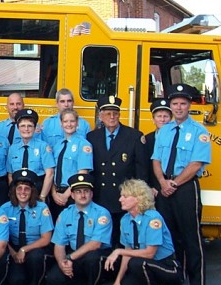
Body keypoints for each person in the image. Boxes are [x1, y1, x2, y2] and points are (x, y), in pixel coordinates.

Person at [152, 83, 211, 285]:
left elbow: (196, 164)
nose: (178, 108)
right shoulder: (164, 131)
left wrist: (173, 184)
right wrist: (161, 182)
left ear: (189, 105)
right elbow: (156, 160)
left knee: (191, 237)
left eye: (182, 104)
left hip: (184, 187)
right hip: (164, 184)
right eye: (174, 104)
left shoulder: (199, 132)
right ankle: (175, 280)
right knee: (168, 237)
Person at [105, 179, 182, 285]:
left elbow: (149, 254)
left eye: (125, 196)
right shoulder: (125, 220)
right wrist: (118, 281)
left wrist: (118, 251)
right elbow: (128, 252)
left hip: (166, 267)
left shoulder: (152, 218)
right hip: (143, 266)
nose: (120, 199)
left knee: (136, 263)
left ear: (138, 198)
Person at [87, 95, 148, 249]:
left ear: (120, 114)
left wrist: (138, 198)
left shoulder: (134, 136)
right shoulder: (92, 137)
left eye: (115, 113)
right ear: (101, 115)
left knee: (122, 240)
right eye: (108, 113)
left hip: (124, 197)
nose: (112, 117)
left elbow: (141, 170)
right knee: (101, 240)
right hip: (101, 196)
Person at [47, 173, 112, 285]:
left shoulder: (102, 213)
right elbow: (59, 244)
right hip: (75, 255)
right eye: (78, 192)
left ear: (91, 194)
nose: (82, 195)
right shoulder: (65, 214)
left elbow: (95, 244)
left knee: (92, 258)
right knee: (53, 278)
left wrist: (70, 258)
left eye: (86, 191)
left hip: (97, 255)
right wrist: (62, 263)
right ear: (72, 195)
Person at [1, 169, 54, 285]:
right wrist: (13, 252)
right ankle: (22, 283)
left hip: (35, 248)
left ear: (32, 191)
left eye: (27, 189)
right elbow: (0, 237)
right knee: (16, 281)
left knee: (35, 257)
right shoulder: (4, 209)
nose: (23, 192)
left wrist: (24, 249)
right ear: (14, 190)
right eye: (19, 188)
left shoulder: (42, 208)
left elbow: (46, 239)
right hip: (13, 247)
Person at [50, 108, 93, 221]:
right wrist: (54, 193)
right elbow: (53, 171)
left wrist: (66, 195)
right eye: (65, 121)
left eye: (72, 121)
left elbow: (83, 173)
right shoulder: (57, 145)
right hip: (55, 195)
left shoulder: (83, 145)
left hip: (73, 195)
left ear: (77, 123)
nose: (69, 124)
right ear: (61, 123)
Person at [7, 109, 54, 198]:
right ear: (18, 128)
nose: (26, 129)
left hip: (37, 189)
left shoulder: (43, 147)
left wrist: (42, 196)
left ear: (35, 127)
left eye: (30, 126)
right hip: (18, 191)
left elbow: (50, 173)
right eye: (22, 126)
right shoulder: (13, 148)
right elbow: (10, 175)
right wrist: (13, 195)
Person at [145, 99, 172, 192]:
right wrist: (149, 186)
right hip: (153, 188)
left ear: (171, 119)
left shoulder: (178, 138)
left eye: (166, 116)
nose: (162, 119)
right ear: (153, 119)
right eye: (159, 116)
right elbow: (144, 166)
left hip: (172, 185)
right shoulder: (147, 139)